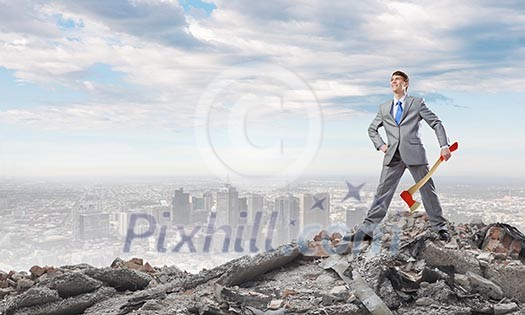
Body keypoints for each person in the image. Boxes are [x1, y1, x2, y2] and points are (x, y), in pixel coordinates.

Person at [353, 70, 452, 242]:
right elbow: (372, 129)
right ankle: (367, 230)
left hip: (414, 153)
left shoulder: (417, 103)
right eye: (391, 80)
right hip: (393, 156)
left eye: (397, 79)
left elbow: (436, 123)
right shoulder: (384, 108)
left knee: (427, 190)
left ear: (406, 83)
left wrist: (444, 145)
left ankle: (440, 227)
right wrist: (381, 145)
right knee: (382, 192)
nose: (393, 82)